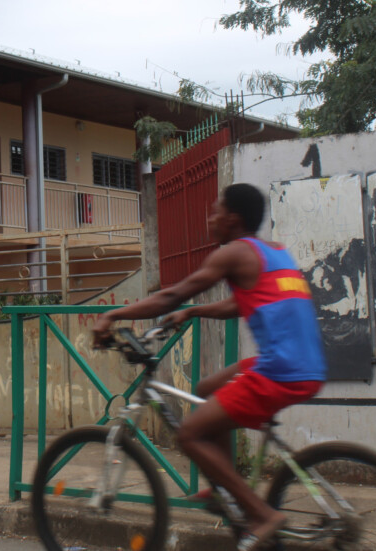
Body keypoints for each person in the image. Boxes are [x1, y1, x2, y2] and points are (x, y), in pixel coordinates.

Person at [92, 183, 326, 551]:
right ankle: (223, 488)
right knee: (204, 390)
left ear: (233, 219)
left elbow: (171, 294)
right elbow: (242, 304)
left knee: (188, 435)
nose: (209, 218)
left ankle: (261, 514)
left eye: (215, 211)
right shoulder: (273, 252)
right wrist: (195, 311)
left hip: (279, 370)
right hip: (305, 363)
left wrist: (113, 313)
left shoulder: (234, 253)